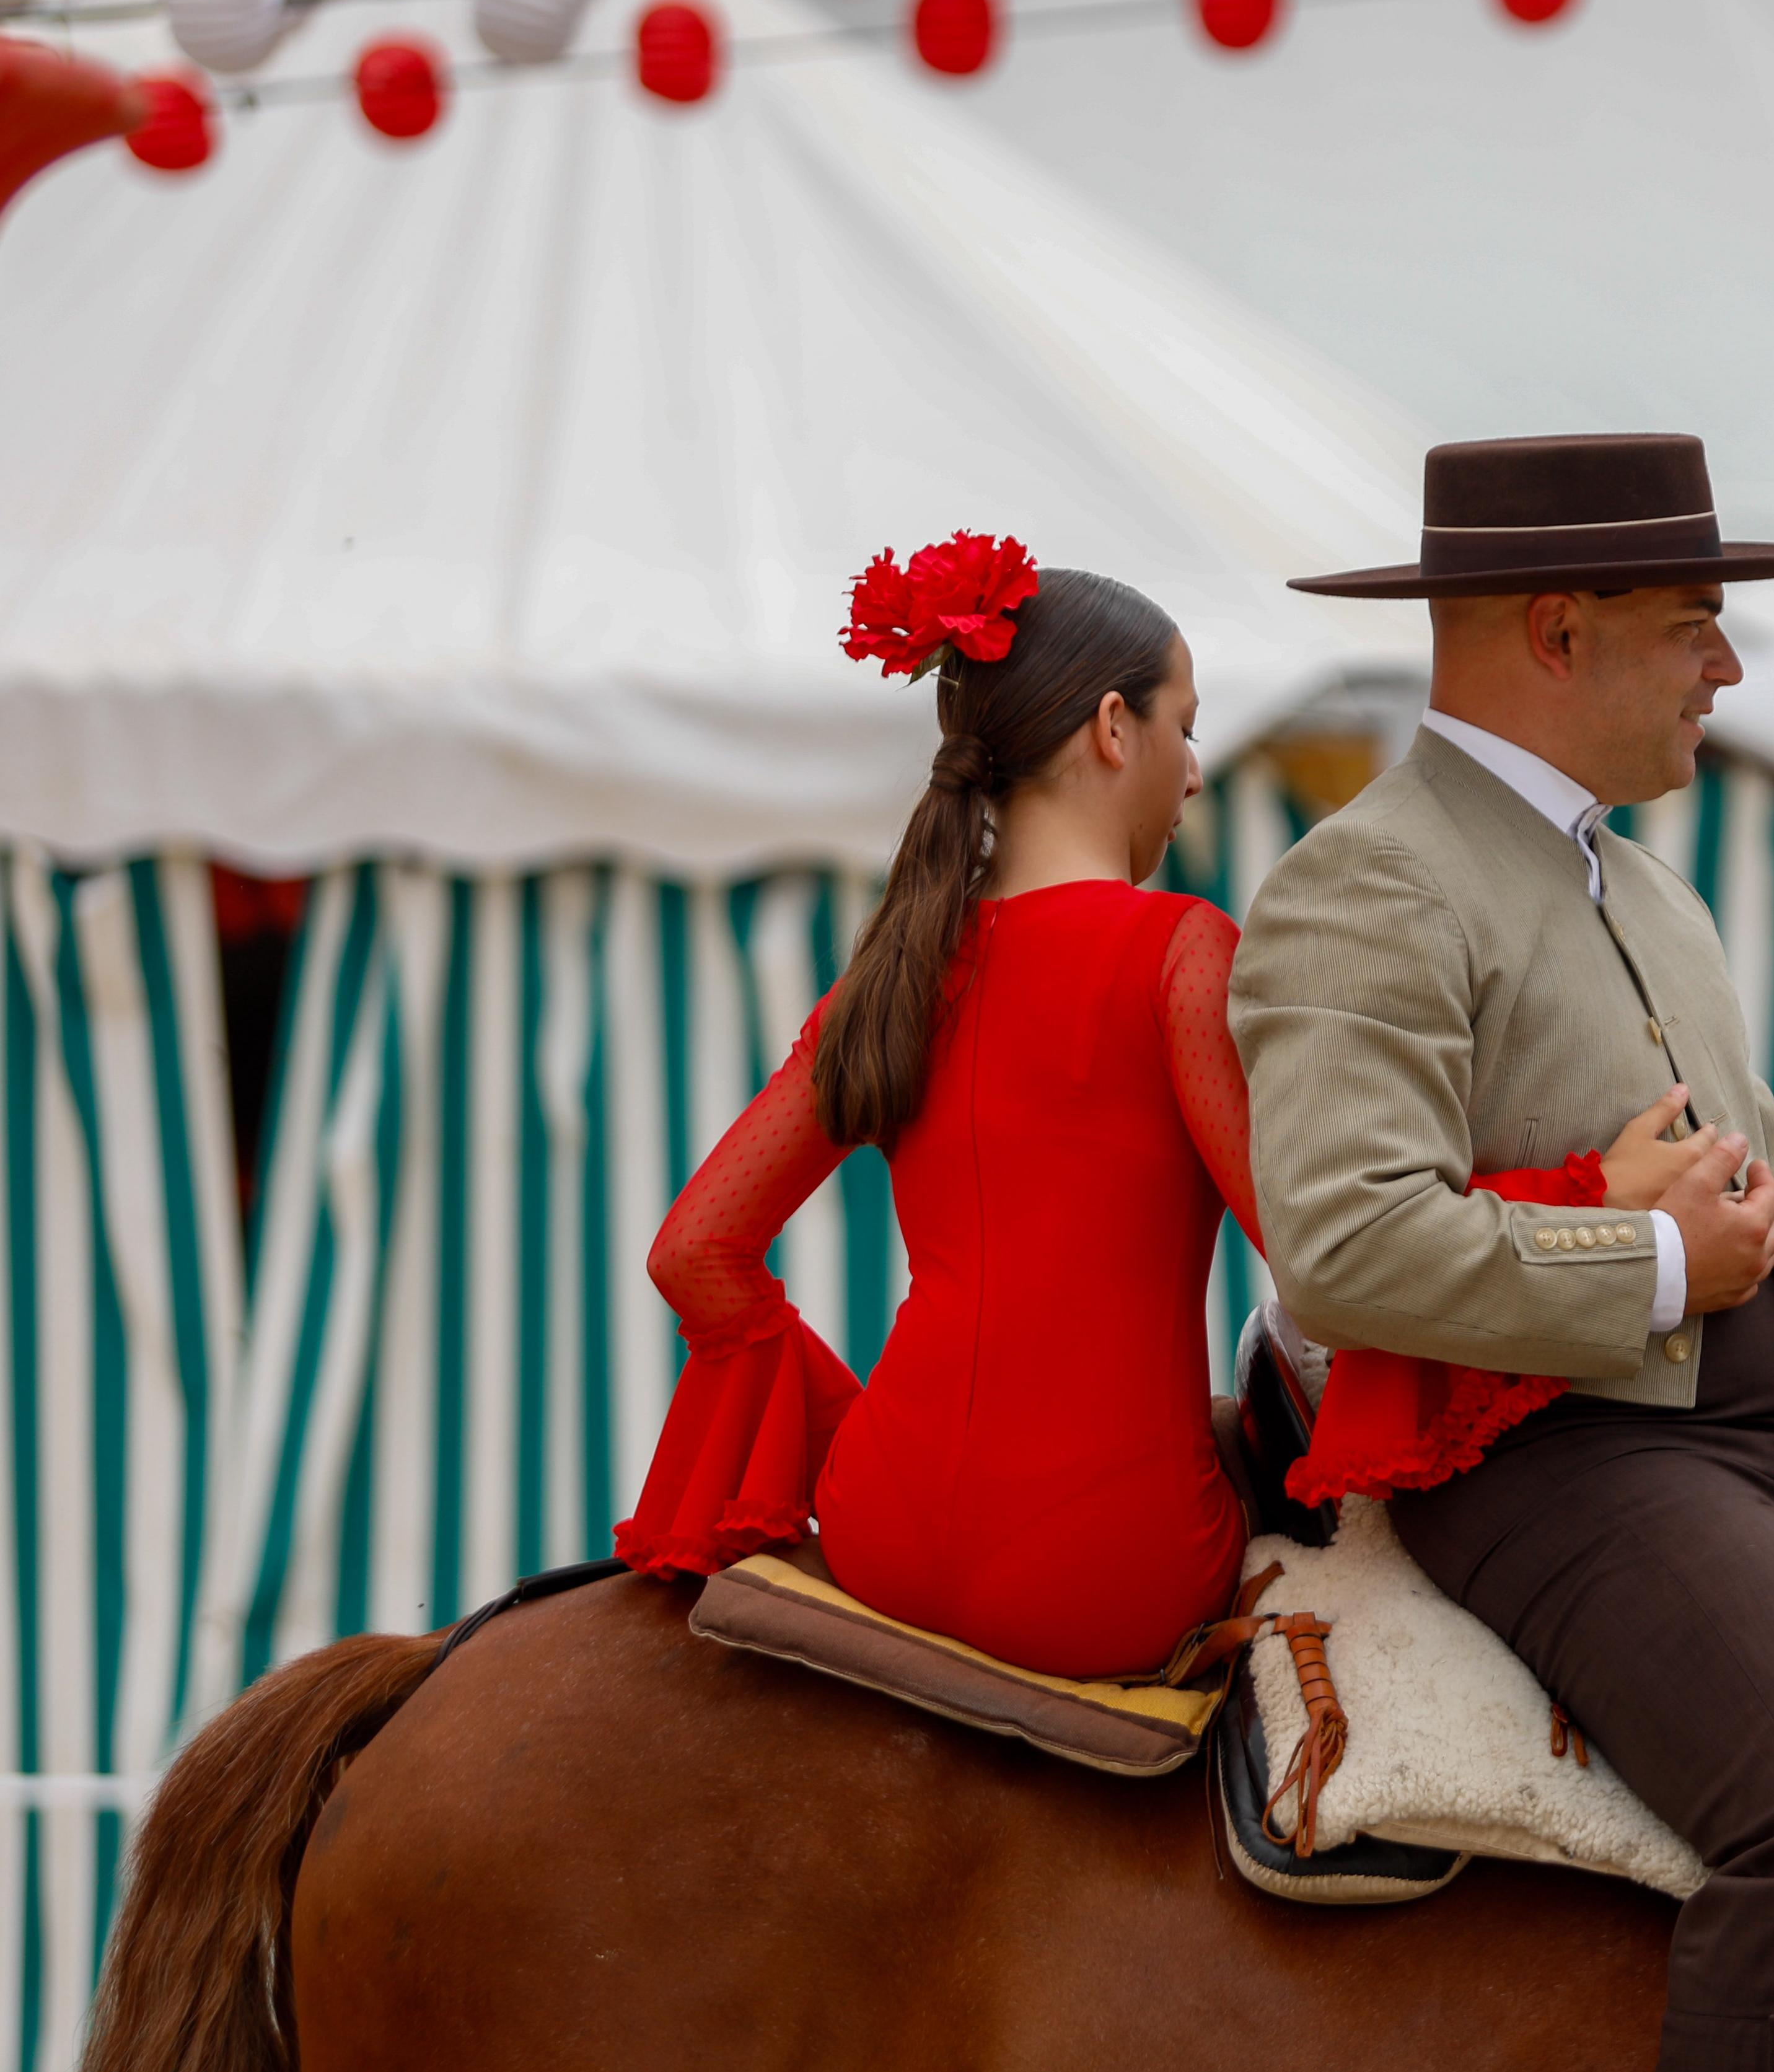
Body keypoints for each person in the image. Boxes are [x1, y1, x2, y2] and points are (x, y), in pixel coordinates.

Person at [1231, 433, 1774, 2072]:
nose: (1729, 663)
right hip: (1565, 1463)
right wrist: (1652, 1255)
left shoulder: (1654, 891)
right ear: (1559, 632)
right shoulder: (1367, 877)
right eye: (1695, 622)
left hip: (1730, 1459)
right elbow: (1341, 1242)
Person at [618, 536, 1708, 1682]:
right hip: (1106, 1572)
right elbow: (1326, 1263)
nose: (1194, 771)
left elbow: (697, 1253)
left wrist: (859, 1446)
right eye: (1185, 726)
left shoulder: (888, 976)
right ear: (1110, 728)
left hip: (880, 1537)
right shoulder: (1177, 954)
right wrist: (1596, 1195)